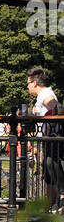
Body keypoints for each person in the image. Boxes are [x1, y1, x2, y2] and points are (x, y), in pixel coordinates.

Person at [27, 67, 64, 207]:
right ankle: (51, 206)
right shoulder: (43, 95)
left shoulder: (45, 94)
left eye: (28, 84)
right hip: (48, 138)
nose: (28, 87)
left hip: (51, 138)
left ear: (35, 83)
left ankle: (57, 202)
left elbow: (56, 107)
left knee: (50, 167)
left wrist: (50, 122)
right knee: (48, 173)